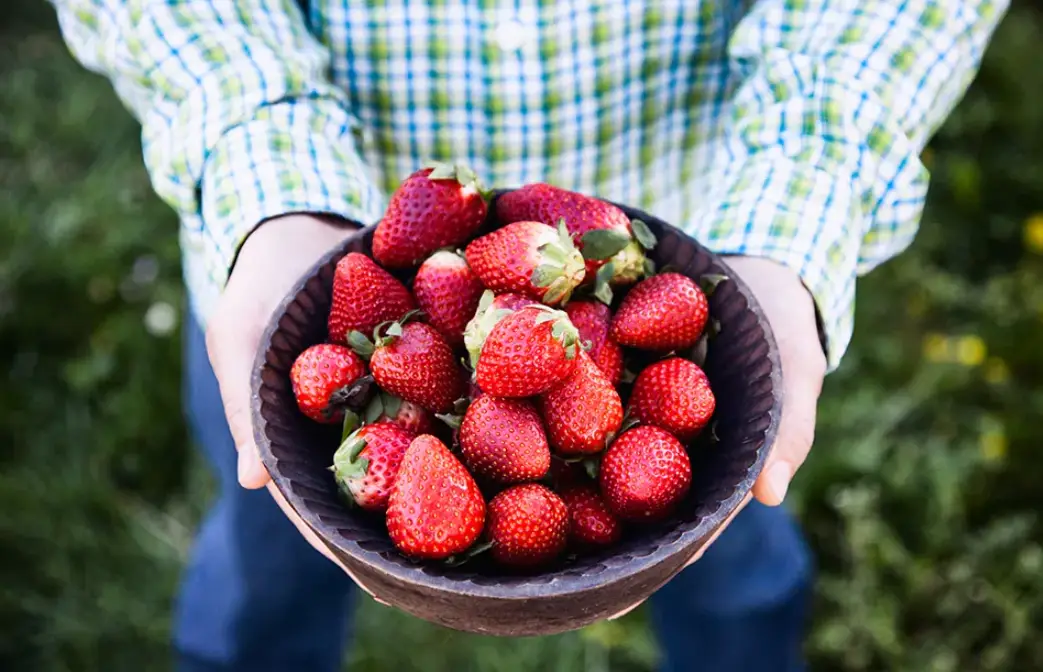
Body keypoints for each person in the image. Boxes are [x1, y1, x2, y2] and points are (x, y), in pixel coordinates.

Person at [51, 1, 1006, 670]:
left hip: (706, 235)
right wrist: (266, 189)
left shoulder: (623, 338)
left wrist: (793, 225)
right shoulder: (379, 335)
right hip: (281, 249)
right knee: (264, 565)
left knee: (737, 569)